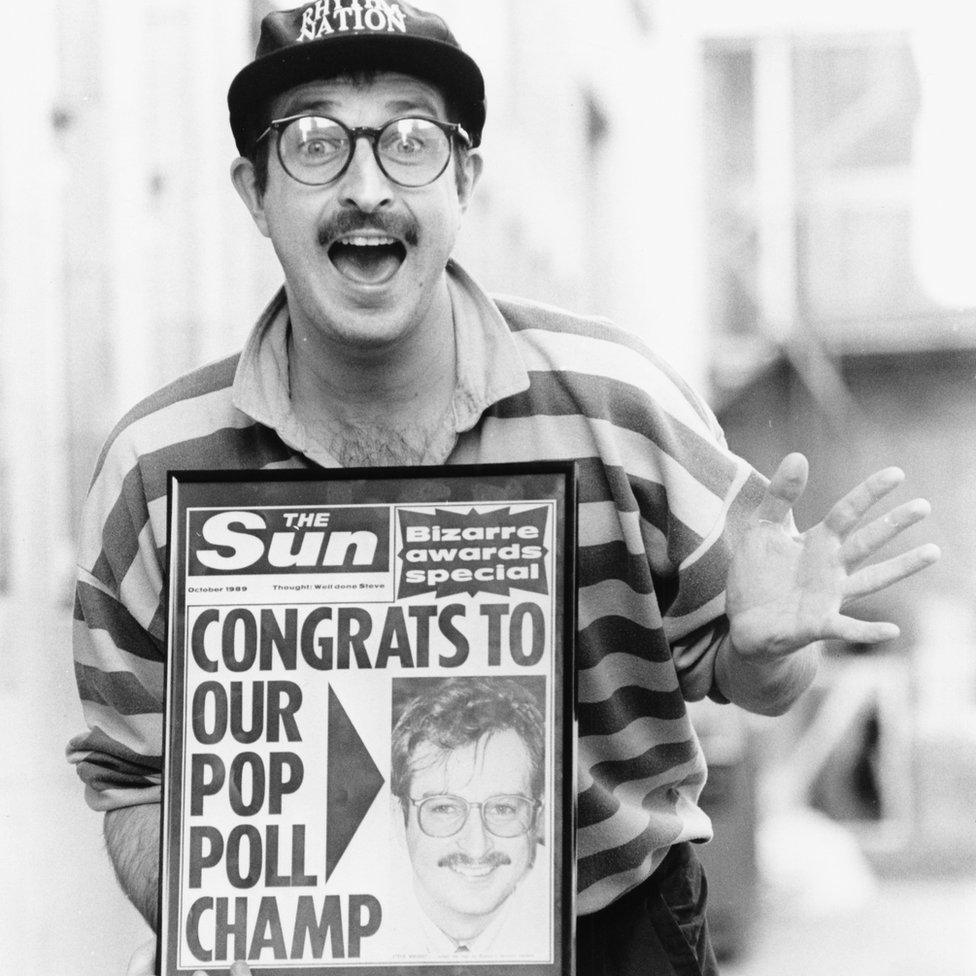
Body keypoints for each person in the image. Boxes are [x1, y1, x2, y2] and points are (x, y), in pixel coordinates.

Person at [68, 3, 939, 974]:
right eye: (314, 141)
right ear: (253, 189)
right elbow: (135, 779)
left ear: (465, 176)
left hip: (607, 932)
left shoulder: (615, 404)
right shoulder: (155, 469)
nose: (366, 186)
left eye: (409, 140)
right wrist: (236, 914)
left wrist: (765, 650)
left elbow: (755, 679)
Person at [385, 677, 549, 958]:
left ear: (538, 819)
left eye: (503, 809)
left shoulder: (568, 921)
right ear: (399, 819)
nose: (477, 847)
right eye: (444, 809)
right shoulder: (359, 920)